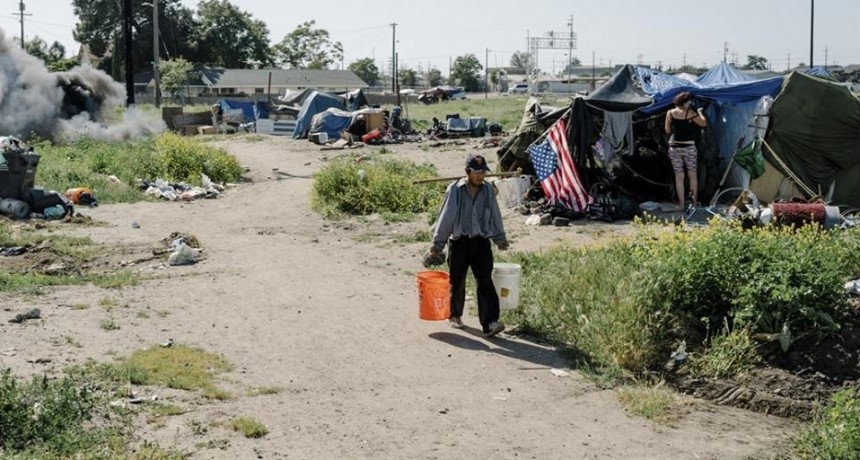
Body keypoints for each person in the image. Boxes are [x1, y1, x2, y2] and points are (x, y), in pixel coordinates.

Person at [426, 153, 509, 336]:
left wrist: (499, 238)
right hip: (460, 242)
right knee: (457, 281)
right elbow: (446, 218)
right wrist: (437, 246)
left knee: (485, 281)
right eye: (476, 172)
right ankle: (454, 315)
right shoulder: (455, 190)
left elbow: (495, 214)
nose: (480, 176)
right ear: (467, 172)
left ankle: (490, 322)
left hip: (481, 242)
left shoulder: (488, 190)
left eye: (483, 172)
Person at [664, 91, 707, 208]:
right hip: (689, 147)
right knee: (692, 175)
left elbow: (667, 130)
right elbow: (703, 123)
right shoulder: (691, 113)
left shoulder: (670, 113)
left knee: (679, 176)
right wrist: (700, 113)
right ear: (685, 102)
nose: (690, 103)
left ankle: (681, 204)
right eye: (689, 101)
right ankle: (694, 203)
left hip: (674, 147)